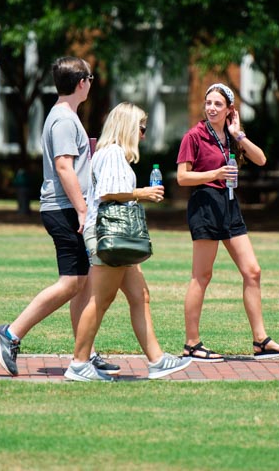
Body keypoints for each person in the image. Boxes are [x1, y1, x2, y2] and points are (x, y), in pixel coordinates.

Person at [0, 57, 117, 376]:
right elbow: (63, 166)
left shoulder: (67, 117)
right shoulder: (63, 119)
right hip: (64, 209)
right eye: (90, 77)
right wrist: (83, 209)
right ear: (81, 83)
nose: (91, 82)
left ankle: (83, 352)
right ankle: (10, 333)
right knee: (72, 282)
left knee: (83, 283)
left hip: (66, 207)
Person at [65, 103, 192, 381]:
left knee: (140, 295)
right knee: (101, 299)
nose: (143, 135)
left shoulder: (113, 154)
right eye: (141, 128)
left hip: (117, 236)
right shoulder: (111, 153)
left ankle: (157, 360)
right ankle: (78, 364)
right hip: (110, 235)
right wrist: (143, 193)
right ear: (127, 127)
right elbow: (110, 192)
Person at [176, 83, 279, 362]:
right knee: (202, 276)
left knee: (252, 271)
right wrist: (214, 172)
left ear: (230, 109)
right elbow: (182, 177)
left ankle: (260, 341)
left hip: (229, 205)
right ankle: (191, 344)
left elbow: (261, 159)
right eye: (208, 103)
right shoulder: (194, 136)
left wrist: (238, 134)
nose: (211, 108)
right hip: (205, 204)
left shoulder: (231, 137)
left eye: (218, 104)